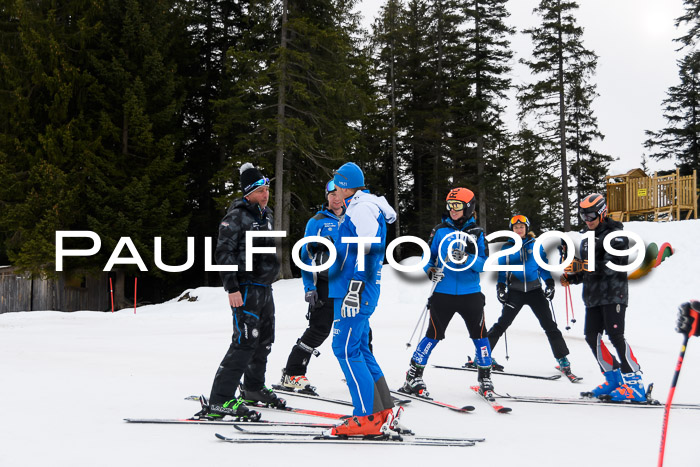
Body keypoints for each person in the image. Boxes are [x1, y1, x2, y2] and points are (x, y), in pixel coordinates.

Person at [201, 162, 283, 420]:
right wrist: (231, 287)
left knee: (264, 340)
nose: (266, 194)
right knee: (245, 341)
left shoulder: (266, 215)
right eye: (260, 190)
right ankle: (220, 400)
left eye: (267, 189)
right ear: (248, 192)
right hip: (244, 288)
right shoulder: (235, 216)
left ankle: (253, 388)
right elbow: (223, 252)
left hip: (264, 287)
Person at [399, 188, 495, 399]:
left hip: (470, 293)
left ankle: (485, 377)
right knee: (432, 335)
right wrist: (430, 271)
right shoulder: (440, 230)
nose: (453, 210)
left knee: (480, 336)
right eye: (450, 205)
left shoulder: (478, 232)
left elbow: (484, 264)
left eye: (458, 205)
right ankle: (413, 375)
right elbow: (428, 257)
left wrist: (466, 258)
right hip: (443, 292)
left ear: (468, 206)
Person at [325, 162, 398, 437]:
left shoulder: (362, 208)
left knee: (345, 349)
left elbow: (365, 248)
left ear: (344, 184)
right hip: (352, 287)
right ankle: (380, 411)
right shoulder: (360, 206)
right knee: (360, 349)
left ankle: (365, 417)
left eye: (336, 183)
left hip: (356, 290)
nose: (334, 188)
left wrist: (354, 288)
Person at [561, 193, 646, 402]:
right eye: (583, 217)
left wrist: (582, 266)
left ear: (602, 212)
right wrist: (572, 278)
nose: (587, 221)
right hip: (593, 295)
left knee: (616, 337)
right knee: (592, 336)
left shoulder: (615, 235)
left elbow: (610, 266)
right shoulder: (588, 237)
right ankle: (614, 378)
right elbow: (590, 269)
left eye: (590, 216)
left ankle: (635, 385)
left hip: (613, 293)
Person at [487, 214, 574, 376]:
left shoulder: (535, 245)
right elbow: (502, 270)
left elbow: (543, 267)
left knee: (549, 325)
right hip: (515, 292)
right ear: (511, 230)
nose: (518, 229)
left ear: (526, 228)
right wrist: (500, 287)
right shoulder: (506, 248)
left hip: (535, 291)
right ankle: (482, 356)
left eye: (521, 227)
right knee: (502, 324)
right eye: (515, 227)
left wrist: (549, 283)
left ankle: (562, 359)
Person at [279, 180, 344, 394]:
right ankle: (292, 373)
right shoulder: (316, 222)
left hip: (350, 286)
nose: (336, 198)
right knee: (319, 330)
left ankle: (365, 374)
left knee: (361, 331)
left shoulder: (354, 218)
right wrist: (309, 287)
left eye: (339, 193)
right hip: (326, 284)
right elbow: (304, 257)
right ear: (326, 196)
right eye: (331, 194)